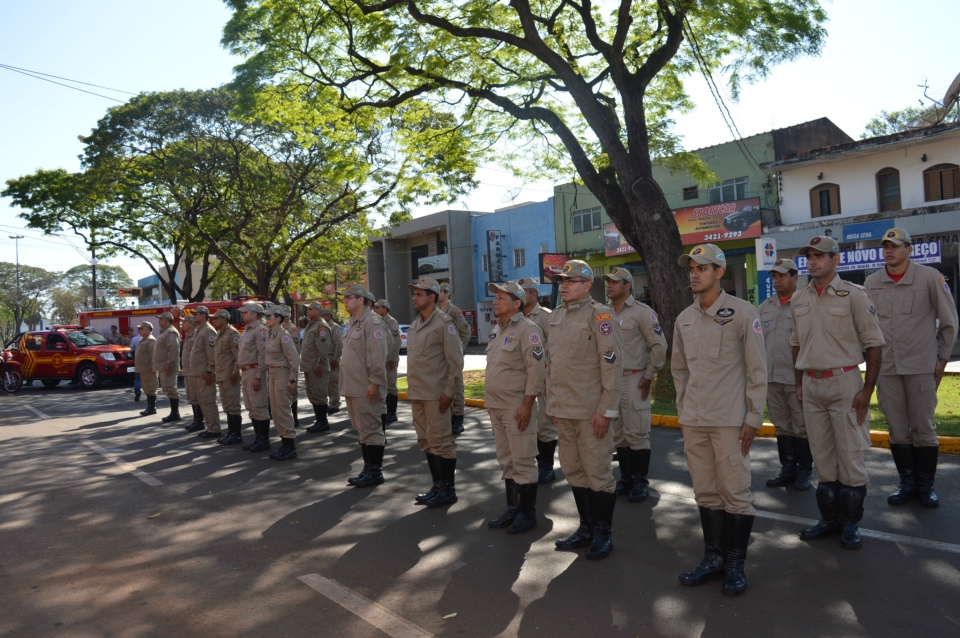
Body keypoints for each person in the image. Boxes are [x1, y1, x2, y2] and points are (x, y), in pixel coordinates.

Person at [672, 244, 766, 596]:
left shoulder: (743, 313)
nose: (694, 273)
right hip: (695, 420)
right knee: (706, 493)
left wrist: (753, 418)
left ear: (719, 272)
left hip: (729, 420)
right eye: (691, 268)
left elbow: (758, 370)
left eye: (702, 268)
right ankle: (712, 559)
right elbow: (679, 370)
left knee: (735, 493)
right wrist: (683, 412)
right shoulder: (684, 318)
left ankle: (736, 565)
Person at [791, 235, 885, 550]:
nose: (813, 261)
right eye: (810, 256)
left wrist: (867, 389)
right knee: (824, 459)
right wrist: (800, 383)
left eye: (821, 256)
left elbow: (873, 344)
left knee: (851, 457)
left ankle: (850, 526)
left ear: (836, 260)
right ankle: (829, 520)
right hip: (812, 385)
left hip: (845, 383)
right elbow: (795, 345)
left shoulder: (854, 295)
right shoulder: (799, 298)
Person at [865, 228, 958, 508]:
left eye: (895, 246)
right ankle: (907, 483)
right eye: (885, 246)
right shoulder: (872, 282)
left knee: (923, 427)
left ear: (909, 249)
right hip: (887, 368)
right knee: (897, 429)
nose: (889, 251)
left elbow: (949, 322)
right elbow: (865, 326)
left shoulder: (929, 278)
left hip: (921, 366)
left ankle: (926, 485)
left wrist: (942, 360)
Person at [547, 260, 623, 560]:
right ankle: (586, 528)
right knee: (574, 471)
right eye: (562, 280)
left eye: (572, 280)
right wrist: (553, 405)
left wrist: (606, 410)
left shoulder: (600, 315)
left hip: (592, 412)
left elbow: (613, 366)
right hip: (563, 411)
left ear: (588, 285)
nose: (564, 285)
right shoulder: (555, 317)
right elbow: (552, 365)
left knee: (598, 474)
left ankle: (603, 534)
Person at [485, 281, 545, 534]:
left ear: (516, 303)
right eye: (495, 298)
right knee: (506, 461)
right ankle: (513, 509)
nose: (495, 302)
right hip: (497, 407)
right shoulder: (498, 330)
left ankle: (527, 514)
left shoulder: (528, 330)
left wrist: (527, 405)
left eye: (500, 298)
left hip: (516, 407)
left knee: (523, 461)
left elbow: (536, 370)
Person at [603, 267, 667, 503]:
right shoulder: (603, 313)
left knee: (637, 432)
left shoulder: (642, 313)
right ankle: (626, 478)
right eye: (608, 281)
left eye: (615, 282)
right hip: (611, 381)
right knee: (618, 434)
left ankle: (640, 482)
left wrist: (649, 375)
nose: (609, 285)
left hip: (634, 377)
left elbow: (660, 346)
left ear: (628, 285)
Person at [406, 277, 465, 508]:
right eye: (414, 294)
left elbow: (455, 362)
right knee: (426, 441)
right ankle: (437, 485)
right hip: (418, 394)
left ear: (432, 297)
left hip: (436, 395)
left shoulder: (444, 323)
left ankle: (448, 489)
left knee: (441, 442)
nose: (414, 297)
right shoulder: (414, 325)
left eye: (419, 294)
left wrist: (449, 392)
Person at [758, 259, 813, 491]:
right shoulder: (764, 307)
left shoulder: (805, 304)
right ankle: (787, 469)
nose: (777, 280)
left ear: (794, 277)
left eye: (782, 275)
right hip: (772, 377)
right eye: (774, 276)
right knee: (781, 425)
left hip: (796, 377)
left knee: (801, 425)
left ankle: (804, 471)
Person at [338, 284, 389, 487]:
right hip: (353, 386)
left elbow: (377, 356)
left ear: (360, 300)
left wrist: (375, 382)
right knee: (362, 429)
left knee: (371, 429)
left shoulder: (373, 321)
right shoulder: (353, 322)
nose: (345, 301)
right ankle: (368, 469)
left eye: (348, 297)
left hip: (366, 386)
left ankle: (375, 471)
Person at [517, 277, 557, 484]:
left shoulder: (546, 317)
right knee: (525, 424)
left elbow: (557, 347)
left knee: (544, 425)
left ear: (534, 294)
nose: (520, 295)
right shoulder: (514, 317)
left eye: (524, 291)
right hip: (519, 381)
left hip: (542, 379)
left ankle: (546, 466)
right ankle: (529, 464)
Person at [265, 305, 301, 460]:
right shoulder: (271, 334)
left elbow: (294, 358)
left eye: (269, 316)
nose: (266, 319)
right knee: (276, 411)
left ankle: (290, 447)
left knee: (283, 410)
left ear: (278, 318)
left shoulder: (283, 335)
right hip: (272, 374)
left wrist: (292, 379)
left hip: (282, 374)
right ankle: (284, 444)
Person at [237, 302, 271, 452]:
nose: (242, 314)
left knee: (259, 406)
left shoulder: (261, 329)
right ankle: (258, 438)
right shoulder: (247, 330)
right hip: (245, 371)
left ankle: (264, 440)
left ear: (255, 313)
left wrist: (258, 376)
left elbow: (263, 354)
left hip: (255, 371)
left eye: (245, 312)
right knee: (251, 407)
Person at [438, 282, 472, 435]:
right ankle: (448, 417)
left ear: (448, 293)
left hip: (453, 356)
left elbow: (466, 332)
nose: (439, 293)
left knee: (456, 385)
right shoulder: (437, 311)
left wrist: (459, 350)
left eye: (442, 291)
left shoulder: (454, 311)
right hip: (441, 358)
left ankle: (458, 419)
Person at [188, 306, 222, 439]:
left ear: (203, 316)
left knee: (208, 401)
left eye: (196, 314)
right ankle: (210, 427)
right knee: (203, 401)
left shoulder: (208, 331)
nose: (194, 316)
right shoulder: (199, 330)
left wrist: (209, 371)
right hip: (197, 373)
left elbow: (212, 354)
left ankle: (214, 429)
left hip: (204, 373)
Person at [210, 308, 243, 444]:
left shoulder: (232, 334)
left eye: (216, 318)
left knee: (233, 405)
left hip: (230, 376)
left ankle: (236, 434)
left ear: (224, 319)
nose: (213, 321)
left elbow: (238, 357)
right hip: (222, 375)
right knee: (227, 405)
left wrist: (235, 372)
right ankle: (230, 432)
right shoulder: (219, 334)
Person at [300, 301, 332, 433]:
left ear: (319, 311)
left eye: (311, 309)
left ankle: (323, 422)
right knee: (312, 394)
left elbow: (323, 348)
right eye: (307, 309)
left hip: (317, 367)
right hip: (309, 366)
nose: (308, 311)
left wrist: (319, 363)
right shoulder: (311, 325)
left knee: (319, 394)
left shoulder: (321, 327)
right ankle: (318, 420)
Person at [374, 299, 402, 425]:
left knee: (391, 385)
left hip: (389, 359)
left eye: (378, 307)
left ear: (385, 309)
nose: (375, 310)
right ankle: (384, 411)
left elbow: (396, 343)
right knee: (383, 386)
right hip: (381, 360)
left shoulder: (392, 322)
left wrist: (391, 358)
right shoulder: (377, 321)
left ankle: (392, 413)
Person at [153, 311, 182, 423]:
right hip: (162, 366)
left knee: (171, 388)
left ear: (166, 320)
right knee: (167, 388)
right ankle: (174, 412)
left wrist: (169, 364)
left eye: (160, 319)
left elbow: (173, 350)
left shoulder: (170, 332)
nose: (158, 321)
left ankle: (175, 413)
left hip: (167, 366)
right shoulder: (164, 332)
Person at [180, 316, 203, 431]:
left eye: (184, 322)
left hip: (194, 371)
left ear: (191, 323)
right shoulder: (188, 336)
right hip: (188, 371)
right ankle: (196, 420)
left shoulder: (196, 335)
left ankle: (200, 421)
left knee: (196, 397)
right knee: (191, 397)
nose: (182, 324)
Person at [281, 308, 303, 428]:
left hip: (289, 366)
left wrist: (293, 366)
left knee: (292, 393)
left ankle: (294, 418)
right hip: (279, 367)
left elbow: (295, 350)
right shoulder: (277, 328)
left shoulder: (292, 329)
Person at [321, 307, 343, 416]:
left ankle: (335, 404)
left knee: (333, 382)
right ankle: (331, 402)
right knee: (328, 382)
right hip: (325, 358)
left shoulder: (335, 328)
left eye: (323, 315)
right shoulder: (323, 327)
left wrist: (335, 358)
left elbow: (339, 344)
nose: (322, 318)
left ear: (329, 316)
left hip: (332, 357)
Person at [134, 322, 159, 417]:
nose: (139, 330)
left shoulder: (151, 340)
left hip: (149, 369)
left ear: (148, 330)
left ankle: (152, 408)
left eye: (141, 328)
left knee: (151, 388)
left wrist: (152, 366)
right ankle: (149, 407)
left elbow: (154, 355)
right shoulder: (143, 340)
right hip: (143, 369)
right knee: (147, 388)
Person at [130, 327, 143, 402]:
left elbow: (131, 349)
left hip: (137, 361)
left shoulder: (134, 339)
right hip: (147, 362)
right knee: (147, 378)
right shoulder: (151, 339)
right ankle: (150, 395)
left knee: (137, 378)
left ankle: (137, 391)